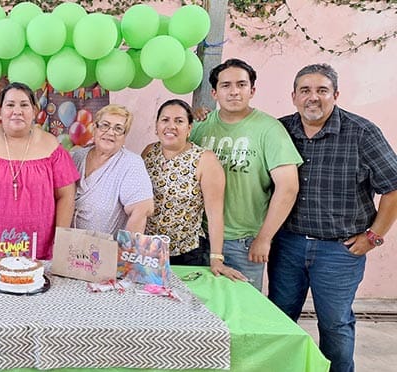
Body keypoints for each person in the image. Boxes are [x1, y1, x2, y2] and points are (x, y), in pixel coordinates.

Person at [268, 64, 397, 372]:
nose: (313, 98)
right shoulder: (279, 130)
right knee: (278, 318)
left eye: (322, 90)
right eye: (306, 91)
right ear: (294, 97)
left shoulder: (362, 133)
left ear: (336, 95)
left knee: (335, 325)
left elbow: (393, 188)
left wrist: (373, 236)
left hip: (339, 251)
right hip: (288, 245)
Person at [189, 58, 302, 291]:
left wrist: (264, 238)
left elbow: (288, 187)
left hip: (242, 242)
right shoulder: (200, 126)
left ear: (252, 90)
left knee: (241, 312)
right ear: (214, 92)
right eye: (226, 85)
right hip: (198, 238)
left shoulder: (269, 129)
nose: (234, 92)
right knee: (198, 310)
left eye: (241, 85)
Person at [0, 82, 79, 263]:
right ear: (0, 111)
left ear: (34, 110)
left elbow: (66, 195)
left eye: (24, 105)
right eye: (10, 105)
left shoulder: (51, 146)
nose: (17, 111)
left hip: (40, 253)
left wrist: (61, 241)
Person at [142, 99, 246, 280]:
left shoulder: (204, 160)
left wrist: (216, 259)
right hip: (149, 250)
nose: (171, 126)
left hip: (187, 253)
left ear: (189, 128)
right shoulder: (148, 152)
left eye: (179, 121)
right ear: (156, 126)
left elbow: (214, 214)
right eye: (165, 120)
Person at [71, 104, 153, 235]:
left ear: (125, 135)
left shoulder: (131, 163)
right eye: (105, 125)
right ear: (94, 128)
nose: (110, 132)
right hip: (69, 245)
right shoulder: (76, 157)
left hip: (106, 250)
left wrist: (125, 250)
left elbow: (142, 209)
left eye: (118, 128)